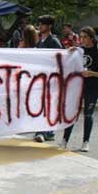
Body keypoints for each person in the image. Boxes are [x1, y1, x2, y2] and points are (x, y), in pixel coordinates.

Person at [59, 27, 98, 152]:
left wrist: (91, 73)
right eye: (81, 37)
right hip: (78, 85)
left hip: (92, 86)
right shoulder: (80, 50)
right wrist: (70, 51)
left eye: (85, 37)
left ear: (91, 38)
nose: (82, 39)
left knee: (88, 114)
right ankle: (64, 140)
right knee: (72, 112)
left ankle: (86, 141)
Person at [34, 15, 62, 143]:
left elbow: (60, 60)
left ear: (49, 26)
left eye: (42, 24)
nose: (40, 27)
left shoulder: (54, 42)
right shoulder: (40, 42)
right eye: (39, 24)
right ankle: (46, 131)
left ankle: (43, 131)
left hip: (51, 80)